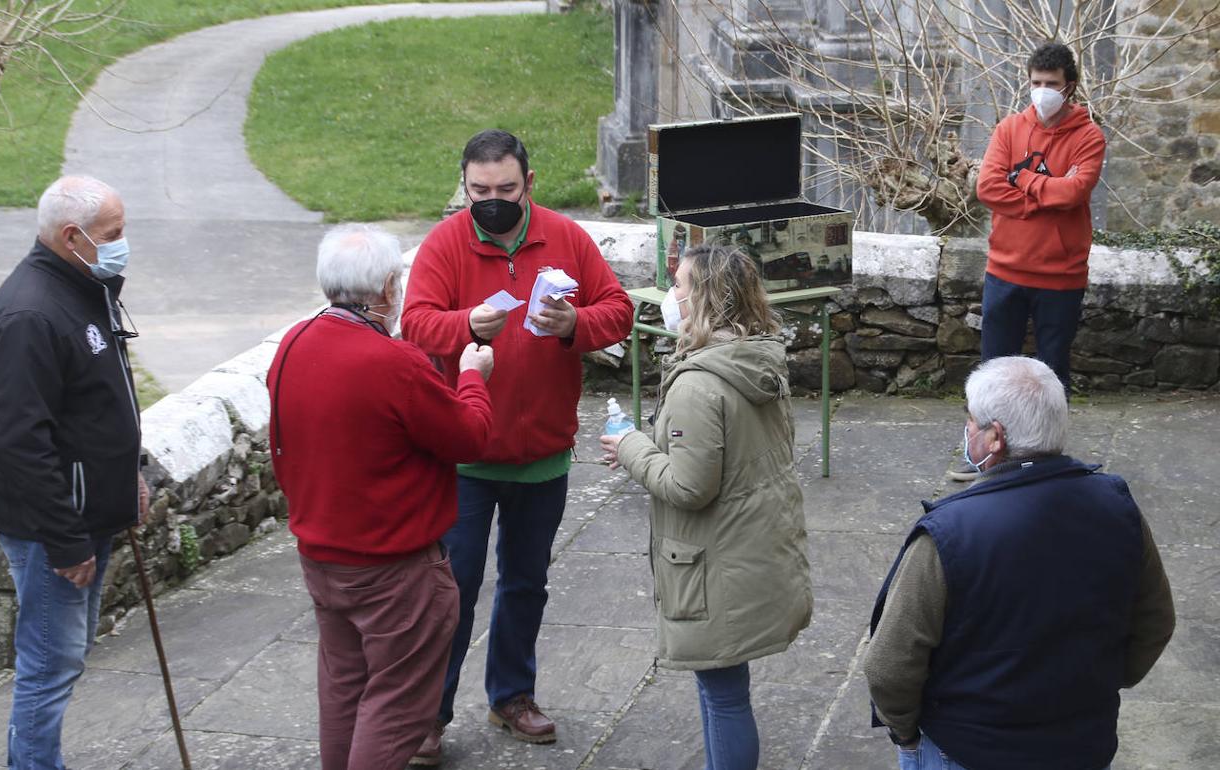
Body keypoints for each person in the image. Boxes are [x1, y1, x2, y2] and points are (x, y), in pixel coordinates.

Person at [401, 129, 633, 763]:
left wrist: (575, 326)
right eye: (479, 191)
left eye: (505, 189)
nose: (493, 201)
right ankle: (429, 714)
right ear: (464, 188)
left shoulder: (566, 237)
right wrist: (465, 325)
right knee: (455, 586)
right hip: (465, 456)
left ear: (529, 184)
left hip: (543, 454)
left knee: (526, 583)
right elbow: (415, 323)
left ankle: (513, 697)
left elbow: (618, 309)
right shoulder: (446, 244)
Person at [865, 356, 1176, 770]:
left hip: (966, 750)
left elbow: (889, 666)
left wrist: (905, 735)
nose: (967, 429)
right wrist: (1096, 688)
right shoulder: (1119, 509)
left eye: (971, 420)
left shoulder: (948, 533)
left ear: (995, 437)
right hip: (1081, 745)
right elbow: (1155, 621)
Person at [267, 224, 495, 770]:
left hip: (322, 556)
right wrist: (472, 375)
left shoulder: (293, 344)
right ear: (389, 288)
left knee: (344, 689)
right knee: (395, 707)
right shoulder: (394, 363)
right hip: (395, 569)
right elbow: (469, 437)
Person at [600, 244, 813, 770]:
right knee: (724, 686)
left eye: (680, 285)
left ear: (707, 301)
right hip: (752, 551)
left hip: (714, 566)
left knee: (723, 696)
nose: (671, 295)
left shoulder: (699, 385)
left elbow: (691, 487)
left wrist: (629, 446)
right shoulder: (759, 358)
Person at [0, 175, 150, 770]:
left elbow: (106, 401)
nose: (123, 244)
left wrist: (130, 473)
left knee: (66, 655)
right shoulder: (31, 313)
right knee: (48, 666)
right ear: (73, 236)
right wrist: (64, 538)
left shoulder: (84, 284)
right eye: (114, 234)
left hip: (88, 515)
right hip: (53, 531)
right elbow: (19, 444)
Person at [975, 42, 1107, 394]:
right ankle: (991, 445)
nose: (1042, 92)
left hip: (1061, 277)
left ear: (1070, 87)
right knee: (994, 374)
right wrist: (1047, 196)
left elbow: (1074, 193)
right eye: (1036, 83)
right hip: (1005, 271)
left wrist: (1022, 179)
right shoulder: (1009, 130)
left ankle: (1049, 448)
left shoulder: (1089, 137)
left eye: (1051, 84)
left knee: (1052, 377)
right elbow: (987, 189)